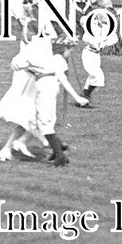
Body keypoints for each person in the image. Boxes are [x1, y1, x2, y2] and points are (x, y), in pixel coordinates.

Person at [23, 37, 88, 166]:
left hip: (45, 89)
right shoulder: (57, 59)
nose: (69, 53)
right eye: (69, 50)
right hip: (48, 88)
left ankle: (60, 156)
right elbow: (62, 79)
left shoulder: (53, 59)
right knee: (47, 122)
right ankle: (57, 148)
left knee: (44, 124)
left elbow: (62, 79)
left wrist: (77, 97)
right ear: (64, 48)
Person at [0, 18, 48, 161]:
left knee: (27, 120)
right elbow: (16, 63)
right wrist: (27, 67)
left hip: (34, 86)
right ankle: (49, 145)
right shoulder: (32, 46)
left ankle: (8, 148)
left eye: (27, 31)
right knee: (33, 119)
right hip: (29, 88)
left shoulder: (39, 45)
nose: (25, 33)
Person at [79, 0, 118, 106]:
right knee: (98, 76)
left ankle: (83, 99)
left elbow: (113, 38)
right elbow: (85, 32)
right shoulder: (90, 22)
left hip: (96, 55)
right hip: (88, 52)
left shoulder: (106, 27)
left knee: (93, 76)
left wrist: (104, 42)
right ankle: (86, 94)